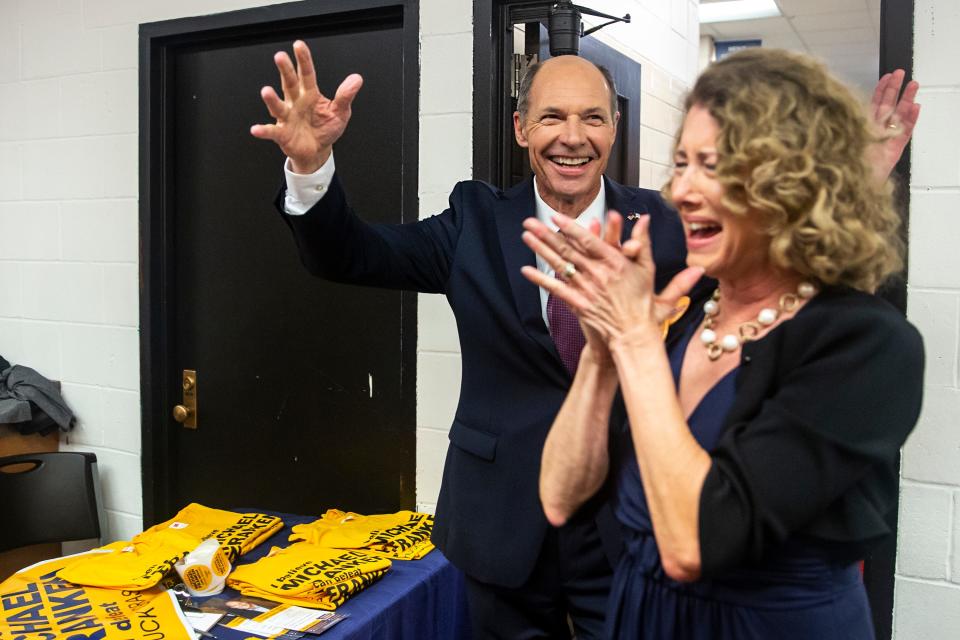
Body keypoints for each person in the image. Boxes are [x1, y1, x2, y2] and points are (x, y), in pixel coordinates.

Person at [250, 40, 918, 638]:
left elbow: (782, 280)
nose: (573, 136)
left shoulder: (664, 221)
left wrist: (847, 188)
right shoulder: (474, 219)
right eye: (552, 117)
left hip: (636, 527)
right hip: (501, 522)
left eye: (592, 118)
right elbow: (352, 255)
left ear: (615, 127)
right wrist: (313, 171)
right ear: (521, 129)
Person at [520, 48, 924, 639]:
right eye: (681, 163)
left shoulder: (866, 344)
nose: (680, 190)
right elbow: (559, 497)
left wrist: (633, 340)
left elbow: (692, 543)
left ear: (791, 183)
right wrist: (604, 353)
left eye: (713, 166)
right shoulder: (684, 322)